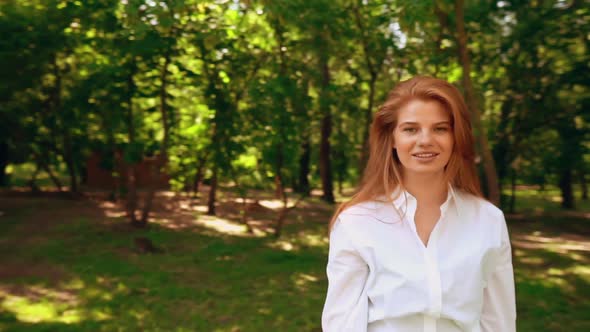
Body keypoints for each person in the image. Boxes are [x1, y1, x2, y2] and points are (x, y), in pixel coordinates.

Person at [321, 76, 516, 332]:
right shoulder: (356, 222)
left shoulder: (488, 220)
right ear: (391, 138)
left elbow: (499, 321)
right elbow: (341, 323)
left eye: (440, 129)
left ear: (456, 137)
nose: (425, 140)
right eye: (411, 129)